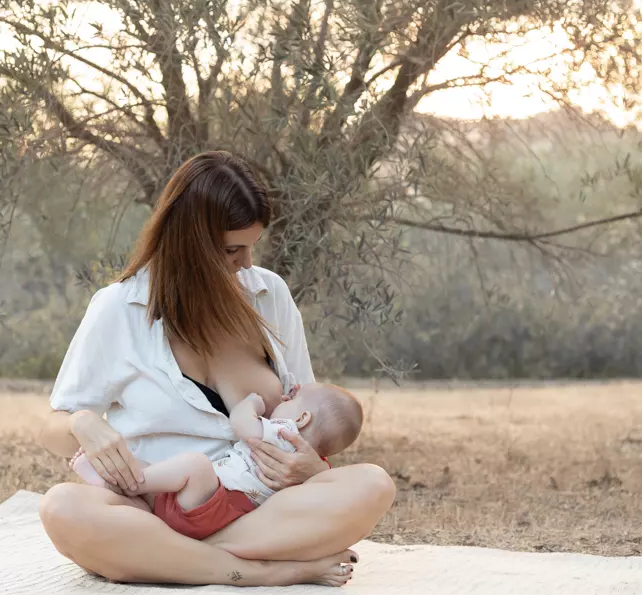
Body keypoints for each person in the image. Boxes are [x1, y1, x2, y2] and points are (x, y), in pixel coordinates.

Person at [37, 151, 396, 588]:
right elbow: (54, 425)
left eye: (251, 247)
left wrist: (312, 471)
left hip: (257, 507)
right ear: (189, 242)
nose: (246, 263)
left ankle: (167, 559)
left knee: (373, 484)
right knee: (63, 508)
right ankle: (267, 570)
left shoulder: (270, 295)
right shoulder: (118, 308)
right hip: (154, 508)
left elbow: (310, 405)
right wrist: (81, 423)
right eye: (231, 249)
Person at [69, 383, 364, 540]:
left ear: (301, 418)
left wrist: (252, 403)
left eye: (289, 402)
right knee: (168, 470)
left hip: (216, 507)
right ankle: (121, 477)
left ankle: (130, 484)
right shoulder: (317, 466)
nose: (282, 402)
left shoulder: (282, 435)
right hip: (215, 514)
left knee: (195, 465)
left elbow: (242, 424)